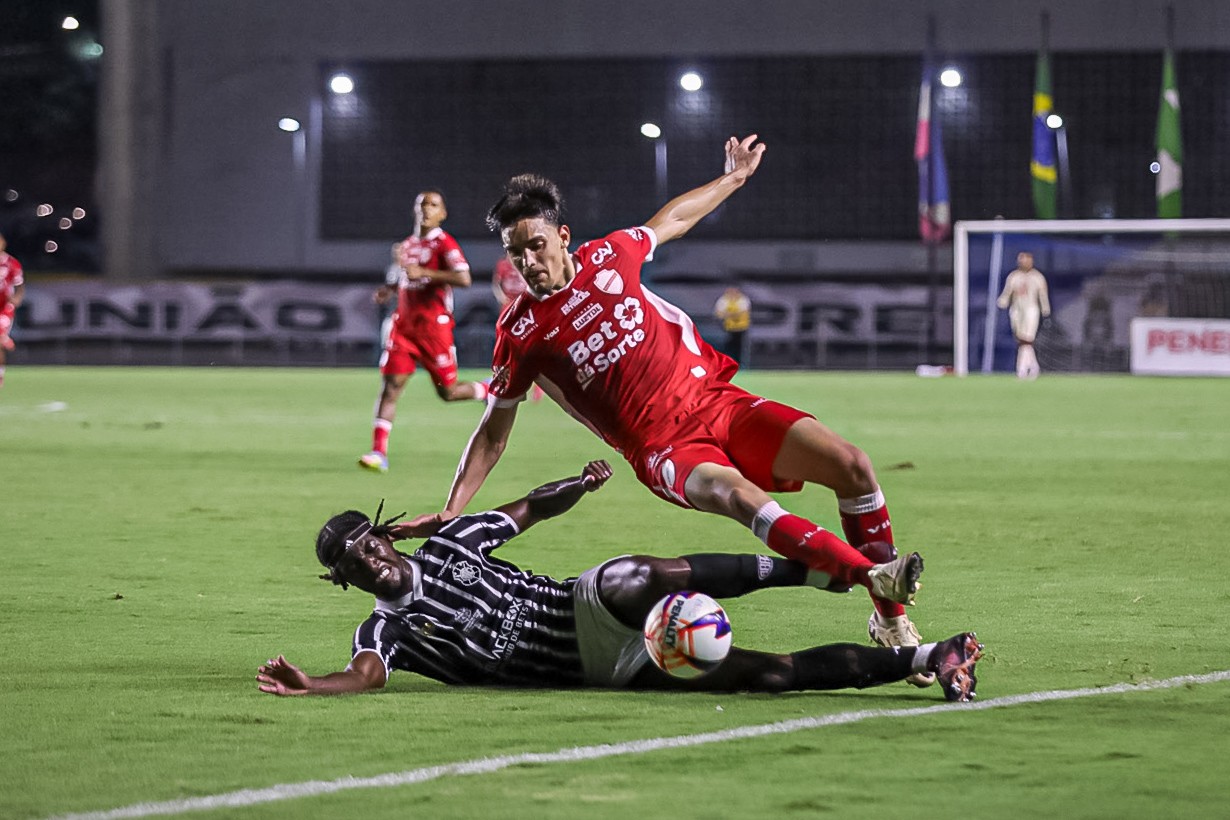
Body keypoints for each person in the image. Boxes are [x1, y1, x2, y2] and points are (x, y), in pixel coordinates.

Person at [418, 135, 936, 687]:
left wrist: (732, 179)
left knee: (851, 465)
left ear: (562, 235)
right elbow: (494, 432)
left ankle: (890, 620)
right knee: (743, 499)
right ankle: (874, 574)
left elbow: (673, 219)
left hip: (719, 401)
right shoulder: (521, 332)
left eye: (537, 245)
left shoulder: (611, 256)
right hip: (666, 449)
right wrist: (453, 511)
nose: (528, 262)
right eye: (516, 253)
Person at [257, 461, 983, 701]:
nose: (368, 559)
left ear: (383, 535)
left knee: (638, 573)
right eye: (351, 563)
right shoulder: (383, 629)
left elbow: (528, 509)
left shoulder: (455, 540)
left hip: (583, 605)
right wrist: (309, 686)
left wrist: (579, 483)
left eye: (367, 543)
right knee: (766, 679)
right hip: (602, 668)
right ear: (349, 580)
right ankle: (928, 659)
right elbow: (364, 675)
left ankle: (826, 577)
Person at [358, 189, 489, 473]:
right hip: (403, 328)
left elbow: (464, 278)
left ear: (442, 214)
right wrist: (390, 290)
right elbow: (408, 278)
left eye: (433, 205)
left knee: (449, 392)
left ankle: (486, 389)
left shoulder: (445, 244)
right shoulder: (406, 245)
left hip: (434, 329)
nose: (426, 209)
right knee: (390, 387)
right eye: (422, 205)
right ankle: (378, 452)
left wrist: (428, 274)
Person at [490, 257, 544, 401]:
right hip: (508, 305)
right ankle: (502, 374)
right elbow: (496, 283)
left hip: (525, 305)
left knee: (532, 343)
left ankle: (538, 384)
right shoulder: (502, 264)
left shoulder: (527, 261)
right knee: (504, 341)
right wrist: (502, 298)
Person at [996, 251, 1051, 380]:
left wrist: (1046, 312)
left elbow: (1043, 296)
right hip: (1016, 311)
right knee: (1021, 341)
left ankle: (1021, 369)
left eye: (1025, 259)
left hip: (1031, 310)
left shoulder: (1037, 277)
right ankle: (1033, 367)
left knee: (1027, 339)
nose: (1022, 262)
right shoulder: (1014, 276)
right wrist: (1001, 303)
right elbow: (1007, 293)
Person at [0, 232, 25, 392]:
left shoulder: (11, 263)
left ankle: (3, 337)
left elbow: (19, 286)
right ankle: (4, 338)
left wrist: (17, 298)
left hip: (4, 308)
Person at [713, 285, 751, 366]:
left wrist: (728, 314)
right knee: (727, 346)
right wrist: (731, 315)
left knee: (740, 347)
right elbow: (718, 313)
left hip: (741, 327)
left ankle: (740, 364)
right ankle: (727, 363)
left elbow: (742, 312)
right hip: (728, 327)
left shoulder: (742, 299)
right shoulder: (723, 300)